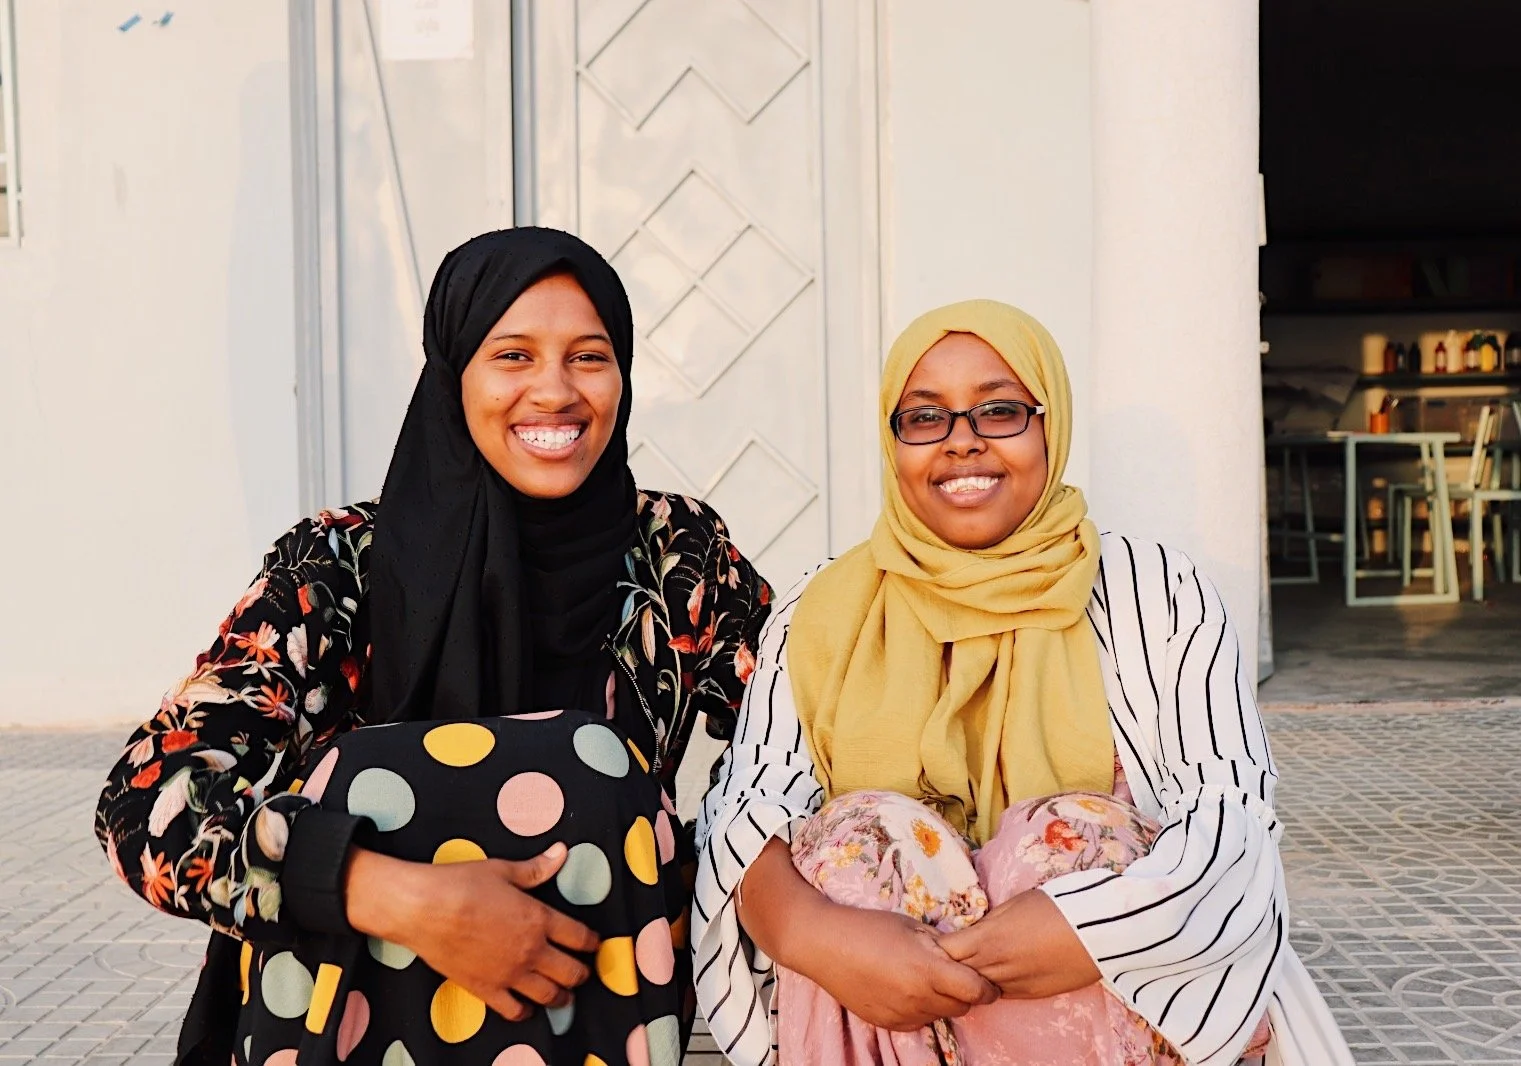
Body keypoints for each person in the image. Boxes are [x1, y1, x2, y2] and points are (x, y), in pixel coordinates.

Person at [95, 227, 772, 1066]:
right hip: (350, 1011)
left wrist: (682, 873)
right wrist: (397, 896)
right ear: (455, 374)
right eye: (513, 356)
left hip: (600, 1011)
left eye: (588, 357)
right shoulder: (338, 567)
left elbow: (800, 740)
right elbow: (147, 804)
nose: (555, 392)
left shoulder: (676, 557)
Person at [693, 300, 1353, 1066]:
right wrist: (810, 931)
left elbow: (1228, 814)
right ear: (891, 439)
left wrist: (1085, 924)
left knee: (1070, 837)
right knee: (859, 841)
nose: (962, 441)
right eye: (924, 417)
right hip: (882, 1002)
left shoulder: (1152, 592)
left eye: (999, 410)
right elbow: (747, 805)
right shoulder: (823, 608)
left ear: (1050, 424)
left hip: (1100, 992)